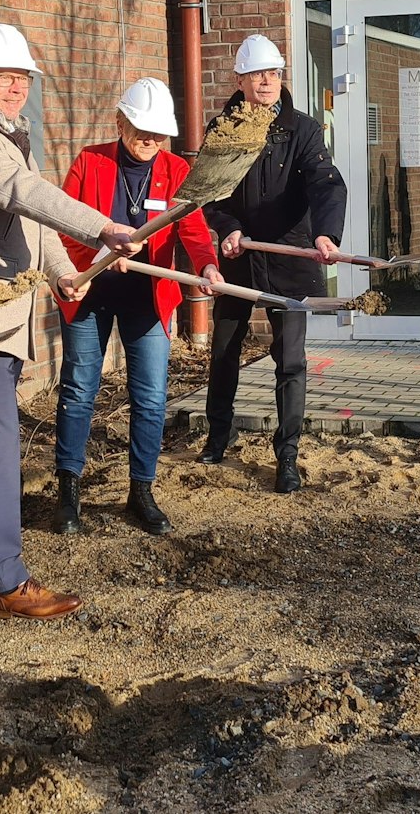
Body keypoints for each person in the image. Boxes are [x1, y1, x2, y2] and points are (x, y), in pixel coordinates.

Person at [0, 22, 141, 618]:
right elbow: (20, 192)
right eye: (3, 78)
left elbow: (34, 221)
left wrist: (62, 271)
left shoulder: (10, 133)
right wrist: (101, 226)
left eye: (21, 80)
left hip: (9, 308)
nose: (16, 89)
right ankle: (6, 581)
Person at [53, 78, 224, 535]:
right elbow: (65, 225)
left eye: (157, 134)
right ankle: (68, 489)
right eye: (140, 130)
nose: (149, 141)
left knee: (149, 397)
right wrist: (98, 257)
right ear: (120, 122)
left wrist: (207, 266)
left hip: (148, 298)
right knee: (79, 390)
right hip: (90, 292)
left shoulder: (174, 169)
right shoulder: (91, 161)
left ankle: (141, 489)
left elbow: (192, 228)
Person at [200, 33, 348, 493]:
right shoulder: (223, 130)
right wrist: (227, 229)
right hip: (240, 255)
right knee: (224, 351)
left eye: (273, 73)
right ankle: (217, 437)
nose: (266, 82)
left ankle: (287, 455)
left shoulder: (301, 129)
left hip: (289, 254)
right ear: (240, 79)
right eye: (257, 74)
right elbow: (208, 194)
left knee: (290, 359)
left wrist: (326, 232)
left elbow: (325, 184)